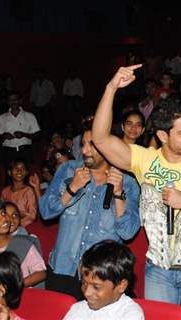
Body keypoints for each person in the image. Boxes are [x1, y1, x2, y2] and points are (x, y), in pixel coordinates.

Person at [91, 65, 181, 320]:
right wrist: (111, 88)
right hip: (157, 270)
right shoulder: (145, 160)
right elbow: (100, 139)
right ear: (162, 136)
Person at [39, 116, 140, 300]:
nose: (84, 150)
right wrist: (72, 188)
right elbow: (46, 212)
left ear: (109, 146)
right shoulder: (69, 170)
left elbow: (127, 232)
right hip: (63, 269)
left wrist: (118, 194)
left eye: (92, 145)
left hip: (101, 278)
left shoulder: (129, 183)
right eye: (83, 144)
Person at [63, 240, 144, 320]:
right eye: (84, 283)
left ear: (121, 286)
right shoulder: (78, 309)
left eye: (96, 287)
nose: (87, 293)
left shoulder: (131, 314)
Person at [0, 91, 40, 166]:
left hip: (25, 151)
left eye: (15, 99)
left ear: (20, 101)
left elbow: (37, 135)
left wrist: (24, 134)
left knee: (26, 175)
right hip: (8, 152)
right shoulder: (2, 117)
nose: (13, 102)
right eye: (10, 100)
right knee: (9, 175)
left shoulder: (30, 116)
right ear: (8, 102)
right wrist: (4, 136)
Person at [0, 160, 38, 227]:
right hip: (6, 225)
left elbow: (32, 216)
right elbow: (0, 210)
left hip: (23, 227)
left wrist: (16, 224)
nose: (19, 171)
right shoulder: (5, 191)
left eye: (22, 169)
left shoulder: (29, 191)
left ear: (26, 173)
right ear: (9, 172)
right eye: (16, 168)